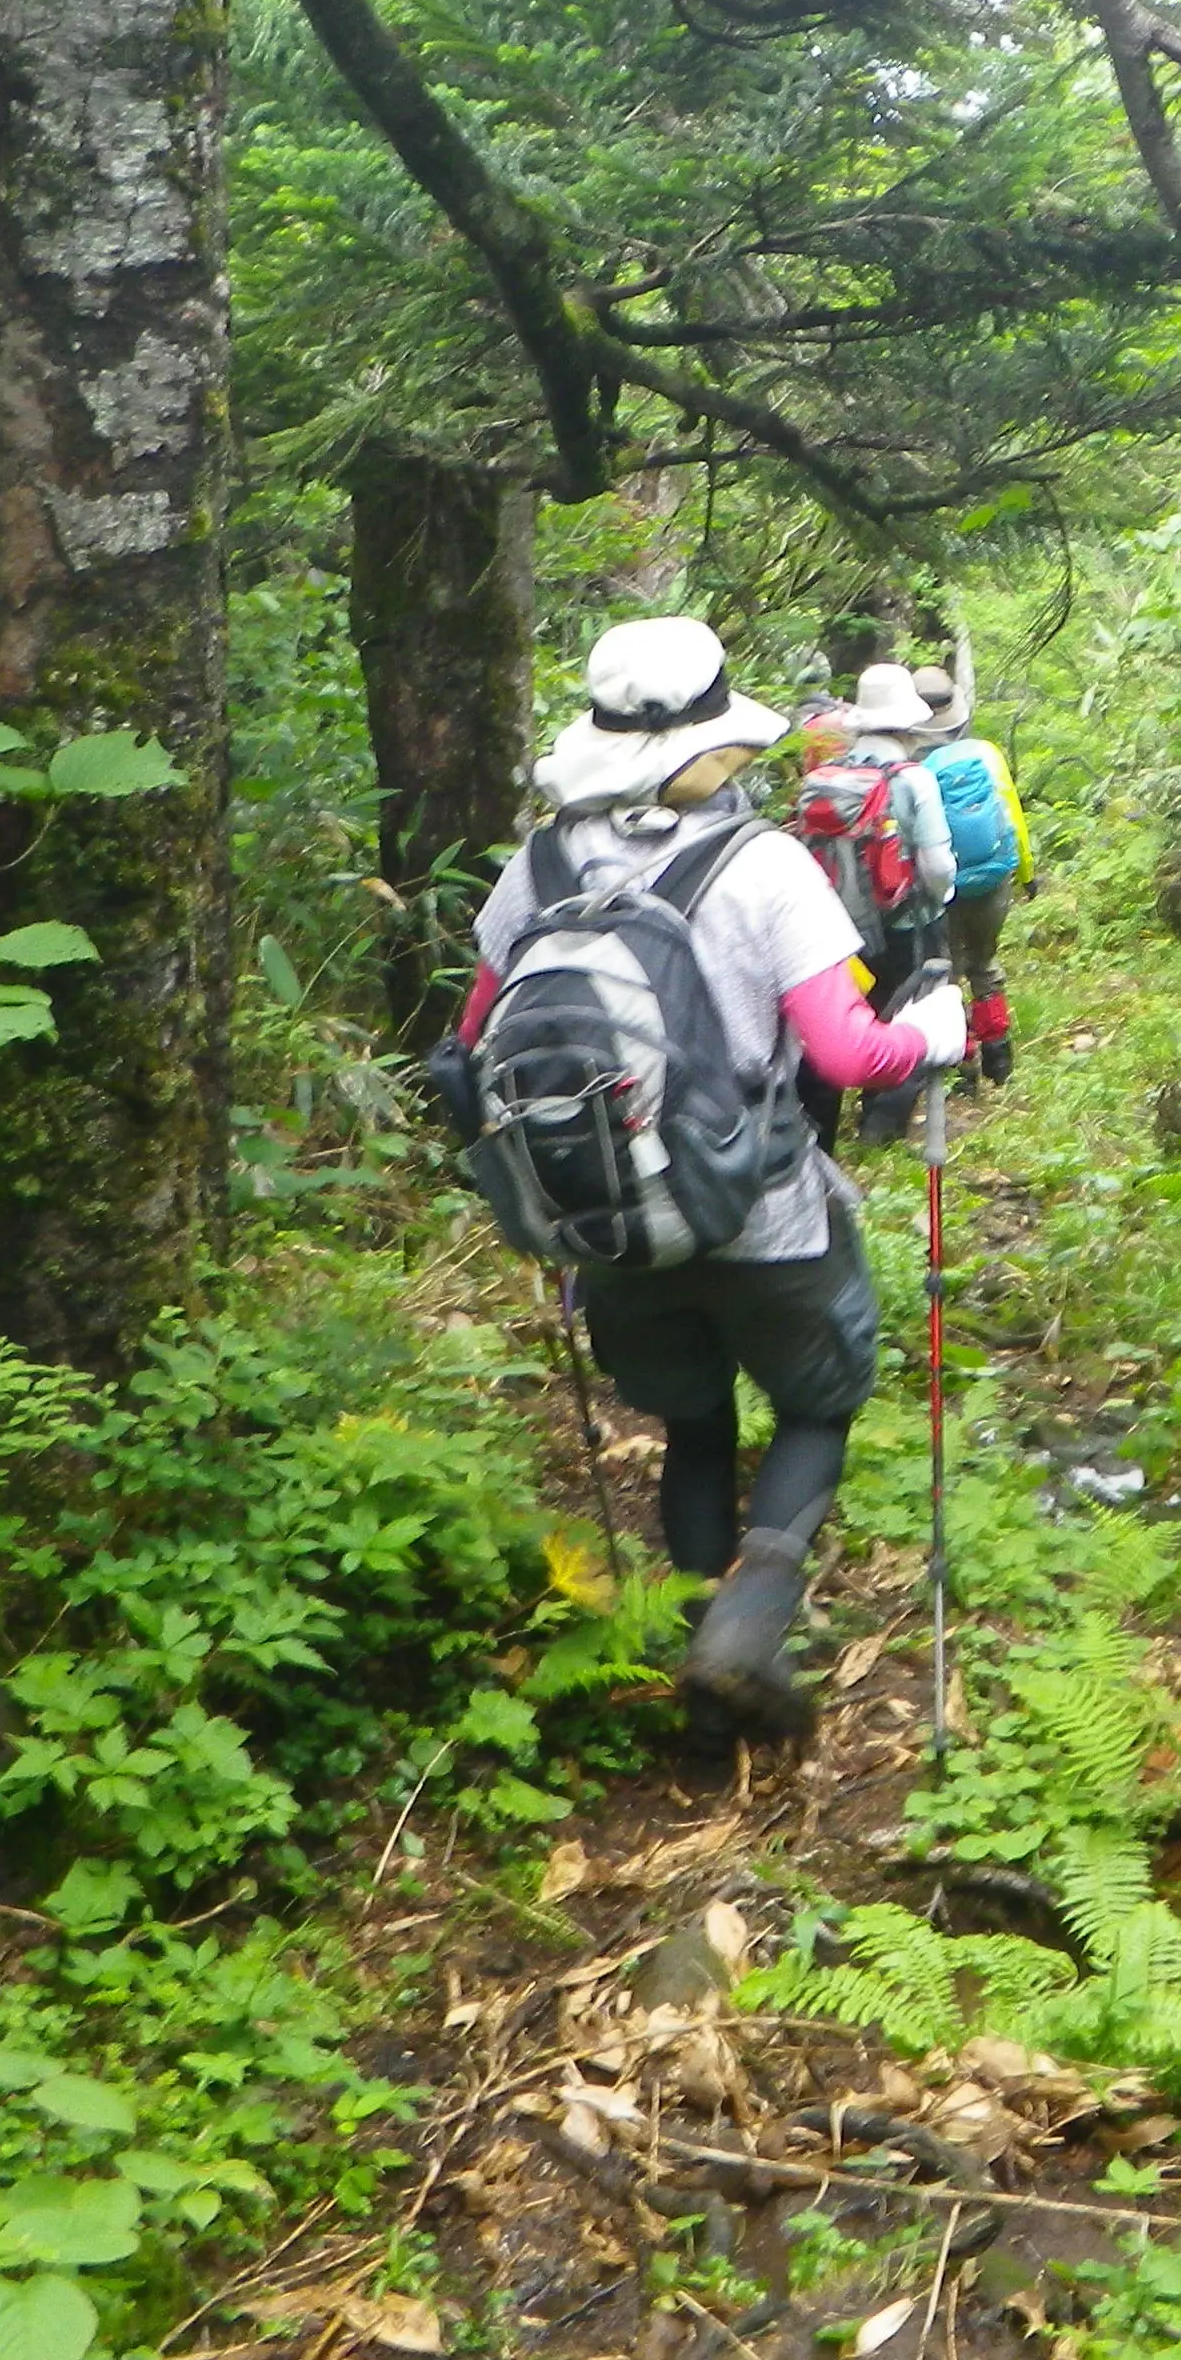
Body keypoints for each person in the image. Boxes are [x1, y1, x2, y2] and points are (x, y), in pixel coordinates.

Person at [452, 617, 964, 1743]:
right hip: (762, 1212)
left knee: (691, 1423)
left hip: (612, 1223)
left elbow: (473, 1044)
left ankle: (697, 1649)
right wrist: (930, 1035)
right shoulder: (763, 866)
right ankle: (743, 1630)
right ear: (711, 747)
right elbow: (845, 1056)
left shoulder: (530, 870)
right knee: (817, 1405)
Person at [794, 661, 957, 1149]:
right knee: (902, 1009)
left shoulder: (822, 778)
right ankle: (879, 1126)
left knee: (837, 1014)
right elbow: (938, 865)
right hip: (903, 921)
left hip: (832, 925)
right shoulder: (914, 780)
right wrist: (939, 899)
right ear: (910, 722)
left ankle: (817, 1132)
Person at [910, 663, 1031, 1085]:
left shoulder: (912, 772)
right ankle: (1000, 1056)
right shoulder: (985, 753)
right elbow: (1012, 816)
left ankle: (967, 1062)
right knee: (984, 964)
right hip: (995, 877)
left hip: (945, 887)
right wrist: (1025, 872)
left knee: (948, 973)